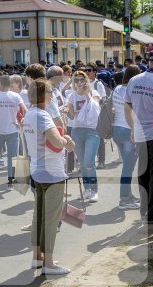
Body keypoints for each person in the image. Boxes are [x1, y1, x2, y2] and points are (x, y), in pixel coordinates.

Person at [24, 79, 76, 275]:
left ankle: (37, 258)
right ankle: (49, 263)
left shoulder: (30, 114)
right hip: (52, 173)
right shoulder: (43, 116)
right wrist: (67, 141)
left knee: (39, 217)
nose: (52, 94)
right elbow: (56, 139)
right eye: (49, 91)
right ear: (43, 94)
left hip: (37, 170)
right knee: (51, 219)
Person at [124, 49, 153, 224]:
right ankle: (151, 212)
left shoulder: (134, 80)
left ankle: (145, 210)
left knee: (143, 173)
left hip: (140, 134)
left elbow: (127, 107)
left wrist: (133, 127)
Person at [65, 70, 101, 202]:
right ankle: (87, 189)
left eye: (82, 79)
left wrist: (87, 95)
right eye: (76, 80)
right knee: (82, 163)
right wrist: (66, 111)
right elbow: (73, 116)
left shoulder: (93, 93)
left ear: (86, 80)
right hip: (77, 131)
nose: (79, 82)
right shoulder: (71, 96)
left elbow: (97, 109)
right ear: (73, 83)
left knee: (88, 163)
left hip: (92, 131)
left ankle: (94, 190)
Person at [112, 66, 140, 210]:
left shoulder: (117, 89)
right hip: (129, 131)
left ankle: (128, 195)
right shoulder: (133, 90)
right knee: (128, 168)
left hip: (117, 130)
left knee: (126, 166)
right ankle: (124, 199)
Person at [0, 75, 24, 186]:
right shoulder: (15, 96)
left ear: (0, 84)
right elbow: (24, 110)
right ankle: (10, 180)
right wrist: (20, 121)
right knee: (11, 157)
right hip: (12, 130)